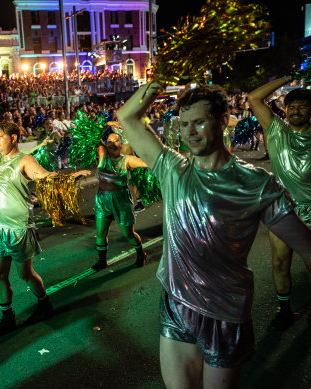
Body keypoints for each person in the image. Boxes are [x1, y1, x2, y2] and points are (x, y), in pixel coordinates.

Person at [117, 82, 311, 388]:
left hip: (225, 311)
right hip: (177, 303)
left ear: (223, 121)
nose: (190, 132)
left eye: (199, 122)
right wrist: (156, 85)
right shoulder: (172, 169)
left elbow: (306, 246)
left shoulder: (256, 184)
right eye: (183, 124)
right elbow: (126, 117)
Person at [0, 121, 90, 338]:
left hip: (20, 230)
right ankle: (7, 318)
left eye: (0, 136)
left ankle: (44, 304)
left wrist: (71, 177)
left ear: (14, 138)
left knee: (25, 275)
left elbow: (45, 176)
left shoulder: (24, 160)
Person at [248, 75, 311, 330]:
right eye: (291, 106)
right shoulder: (275, 129)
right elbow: (254, 97)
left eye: (303, 106)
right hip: (284, 210)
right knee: (279, 262)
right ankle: (284, 310)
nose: (296, 110)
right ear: (285, 110)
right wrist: (287, 77)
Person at [92, 132, 147, 271]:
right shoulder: (102, 154)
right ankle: (102, 261)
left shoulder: (127, 160)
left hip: (121, 200)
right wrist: (106, 125)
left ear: (121, 144)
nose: (111, 143)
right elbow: (93, 133)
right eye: (109, 141)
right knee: (100, 234)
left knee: (128, 234)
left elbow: (145, 163)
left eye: (115, 140)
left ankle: (141, 254)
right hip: (102, 200)